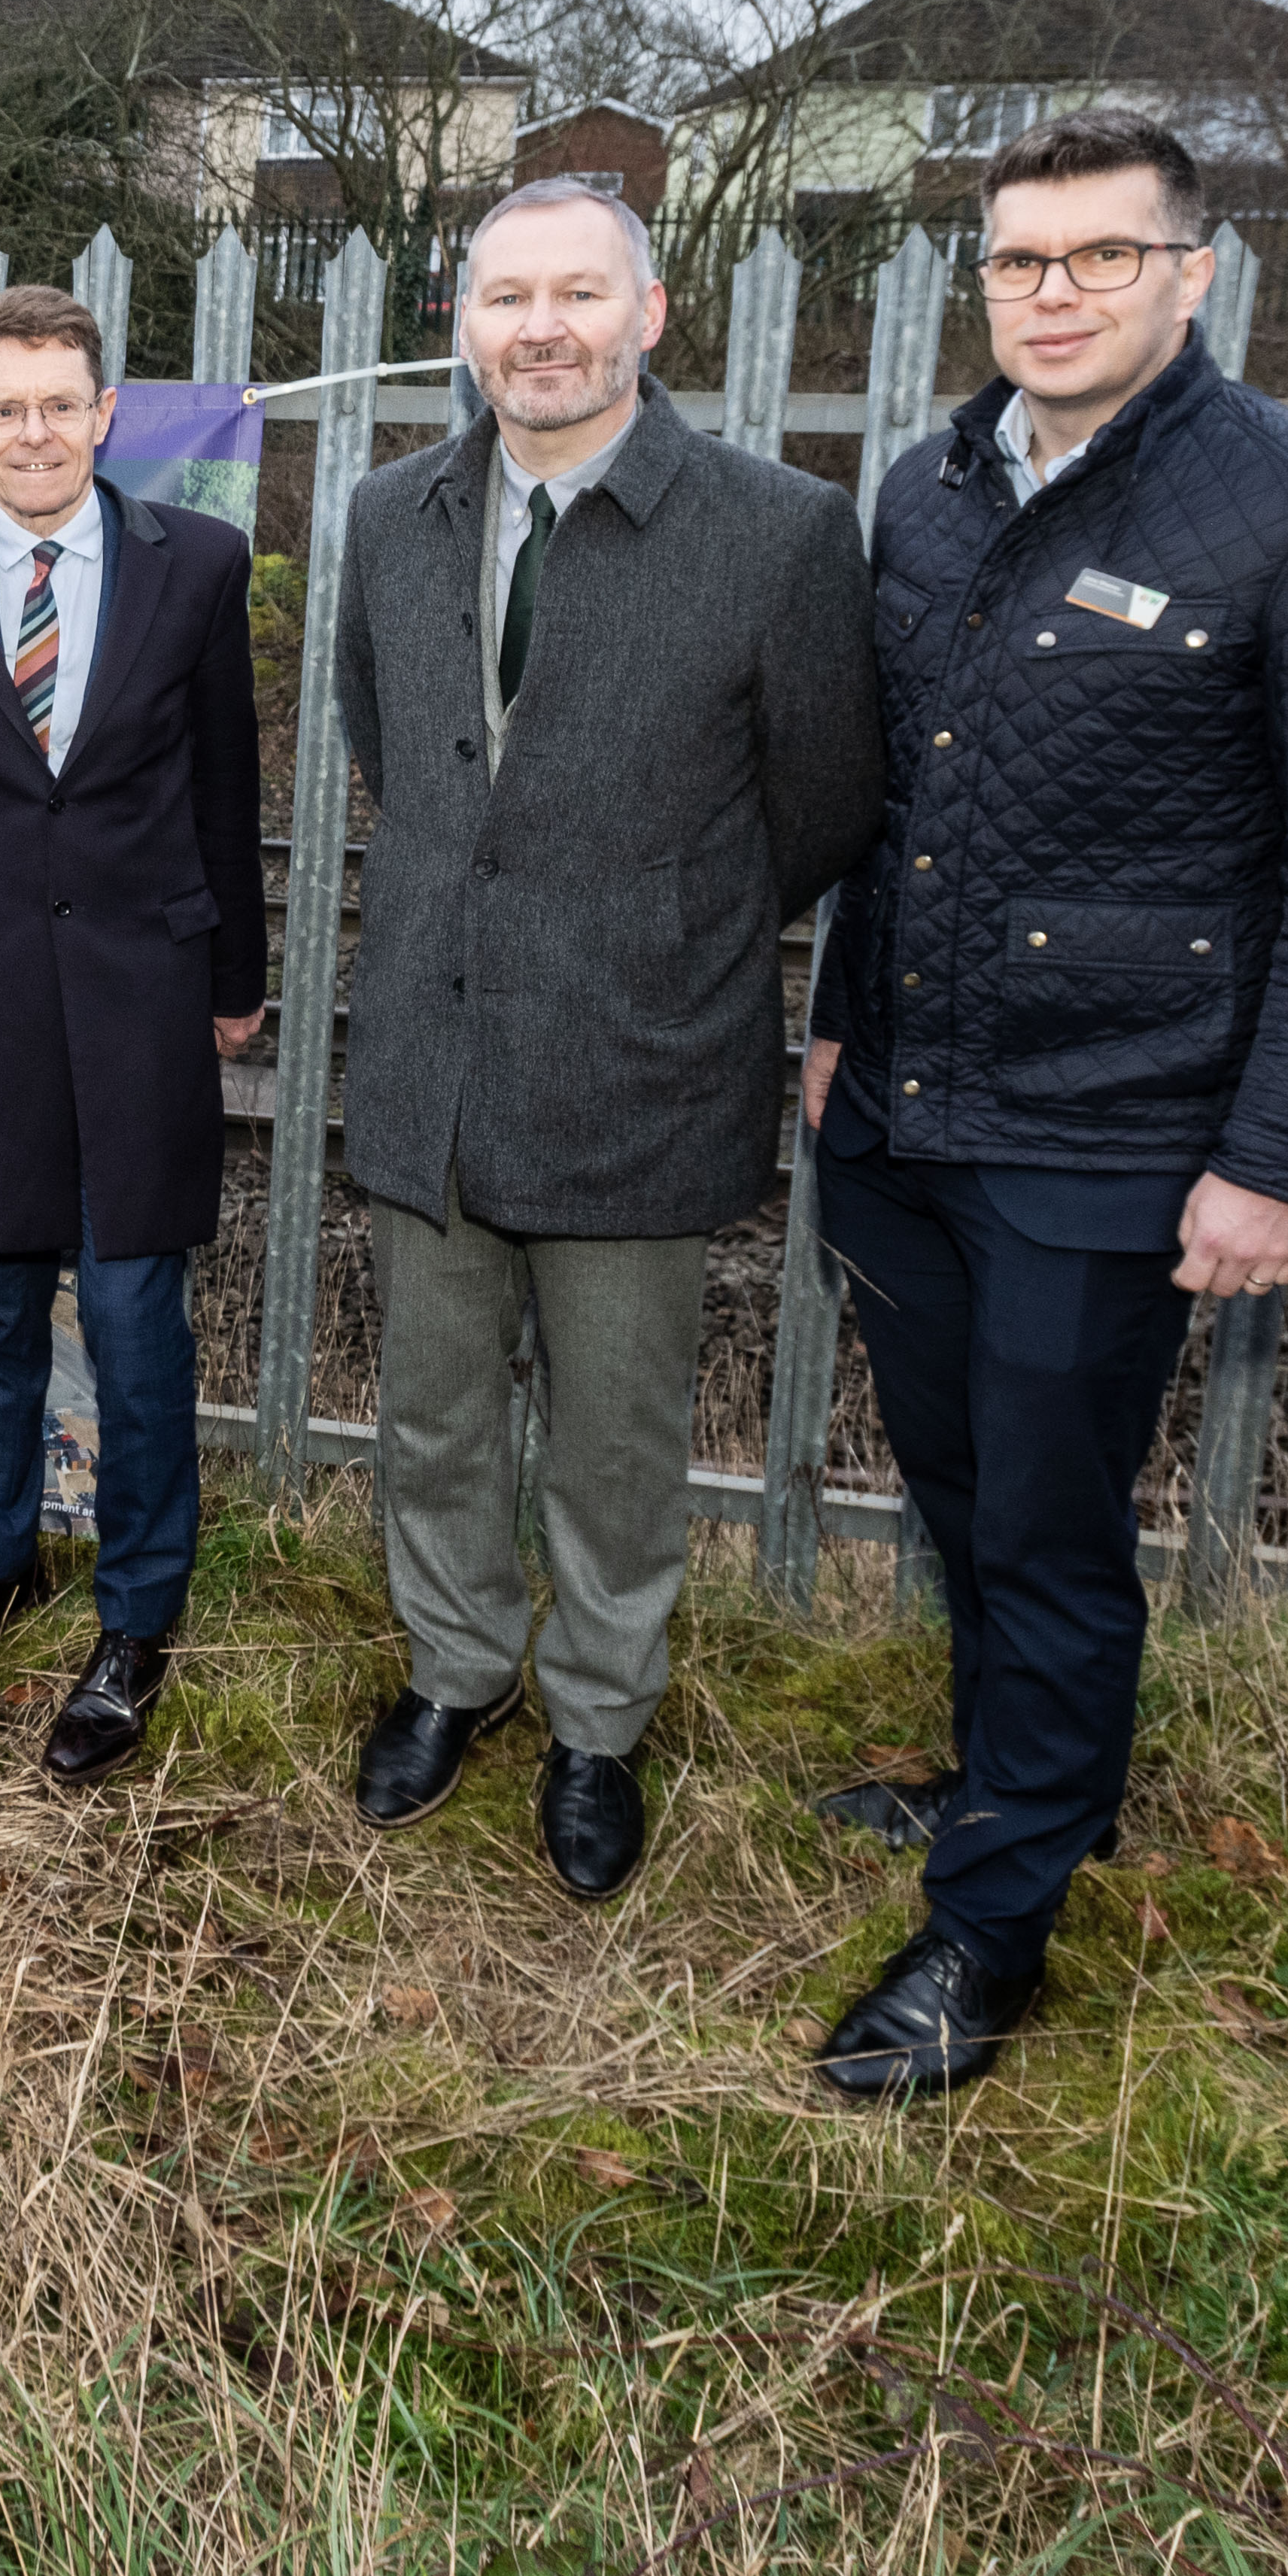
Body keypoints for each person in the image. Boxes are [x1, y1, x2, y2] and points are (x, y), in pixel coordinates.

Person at [799, 105, 1288, 2098]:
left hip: (1118, 1125)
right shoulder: (931, 488)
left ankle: (992, 1928)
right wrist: (836, 1016)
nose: (1056, 292)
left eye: (1101, 255)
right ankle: (1019, 1786)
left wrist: (1283, 1152)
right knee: (965, 1487)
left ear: (1193, 268)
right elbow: (886, 801)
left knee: (1058, 1520)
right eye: (1021, 258)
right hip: (909, 1113)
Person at [330, 176, 882, 1897]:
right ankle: (456, 1672)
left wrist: (643, 931)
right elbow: (401, 761)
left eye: (580, 292)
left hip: (640, 1066)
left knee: (617, 1440)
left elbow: (824, 806)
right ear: (464, 323)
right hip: (435, 1062)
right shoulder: (386, 513)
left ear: (652, 312)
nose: (542, 326)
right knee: (428, 1417)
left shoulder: (773, 531)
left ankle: (595, 1718)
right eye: (508, 296)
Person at [0, 284, 267, 1785]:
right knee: (1, 1321)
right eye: (4, 406)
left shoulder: (197, 566)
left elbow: (225, 793)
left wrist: (236, 981)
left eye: (58, 401)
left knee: (141, 1333)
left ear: (104, 413)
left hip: (144, 1010)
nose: (34, 429)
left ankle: (138, 1622)